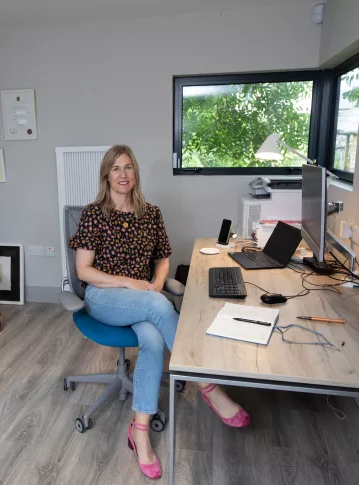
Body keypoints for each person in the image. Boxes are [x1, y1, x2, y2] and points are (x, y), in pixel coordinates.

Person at [69, 145, 249, 480]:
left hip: (143, 298)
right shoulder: (95, 214)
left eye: (129, 167)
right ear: (106, 175)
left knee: (152, 338)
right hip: (104, 296)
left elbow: (164, 257)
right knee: (158, 305)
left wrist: (156, 281)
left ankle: (139, 432)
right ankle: (207, 384)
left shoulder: (150, 213)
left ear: (135, 173)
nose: (123, 174)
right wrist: (132, 284)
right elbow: (83, 271)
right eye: (116, 168)